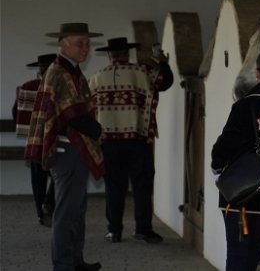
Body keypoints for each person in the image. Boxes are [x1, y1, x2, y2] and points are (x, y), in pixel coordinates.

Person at [25, 22, 104, 271]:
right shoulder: (60, 72)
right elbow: (71, 114)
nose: (85, 48)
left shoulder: (71, 71)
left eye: (88, 43)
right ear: (63, 45)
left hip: (75, 147)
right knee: (67, 210)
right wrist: (97, 129)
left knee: (77, 208)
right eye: (79, 43)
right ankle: (63, 264)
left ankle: (75, 260)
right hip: (67, 149)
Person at [88, 37, 173, 244]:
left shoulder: (96, 78)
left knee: (114, 187)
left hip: (108, 142)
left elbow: (87, 108)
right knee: (142, 186)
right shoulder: (142, 71)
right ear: (128, 53)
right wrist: (162, 62)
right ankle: (143, 229)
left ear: (109, 55)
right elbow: (165, 81)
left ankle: (114, 231)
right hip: (137, 140)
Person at [211, 46, 260, 271]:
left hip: (241, 199)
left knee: (237, 262)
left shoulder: (245, 105)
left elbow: (223, 150)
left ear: (257, 73)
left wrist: (217, 166)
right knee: (251, 262)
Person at [13, 53, 58, 227]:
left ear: (39, 69)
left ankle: (41, 213)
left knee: (38, 179)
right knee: (58, 176)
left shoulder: (27, 87)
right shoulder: (61, 87)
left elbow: (16, 114)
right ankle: (50, 203)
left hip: (35, 142)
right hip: (56, 141)